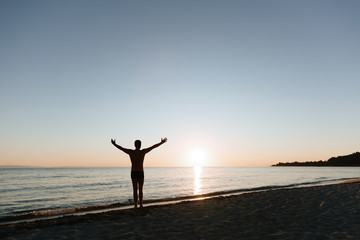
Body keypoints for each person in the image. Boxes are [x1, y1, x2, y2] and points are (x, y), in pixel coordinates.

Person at [111, 137, 167, 208]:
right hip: (140, 172)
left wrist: (114, 144)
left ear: (135, 145)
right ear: (140, 145)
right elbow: (153, 147)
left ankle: (135, 205)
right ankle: (140, 204)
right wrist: (161, 143)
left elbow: (121, 148)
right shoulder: (142, 152)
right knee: (140, 189)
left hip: (134, 172)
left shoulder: (131, 152)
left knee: (135, 190)